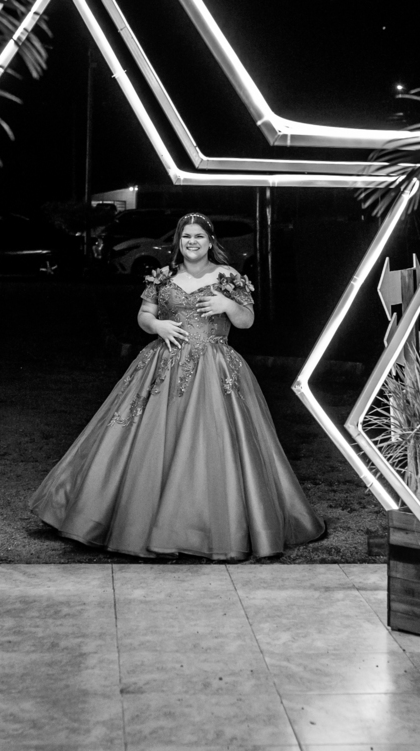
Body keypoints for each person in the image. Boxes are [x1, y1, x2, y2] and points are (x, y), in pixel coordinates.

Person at [30, 212, 324, 560]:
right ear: (178, 242)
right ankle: (124, 519)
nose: (192, 242)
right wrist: (157, 326)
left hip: (214, 367)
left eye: (199, 236)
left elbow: (247, 321)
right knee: (148, 440)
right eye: (186, 237)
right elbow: (144, 315)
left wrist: (228, 304)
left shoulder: (227, 276)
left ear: (210, 241)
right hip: (163, 367)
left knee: (211, 443)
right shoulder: (164, 276)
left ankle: (207, 526)